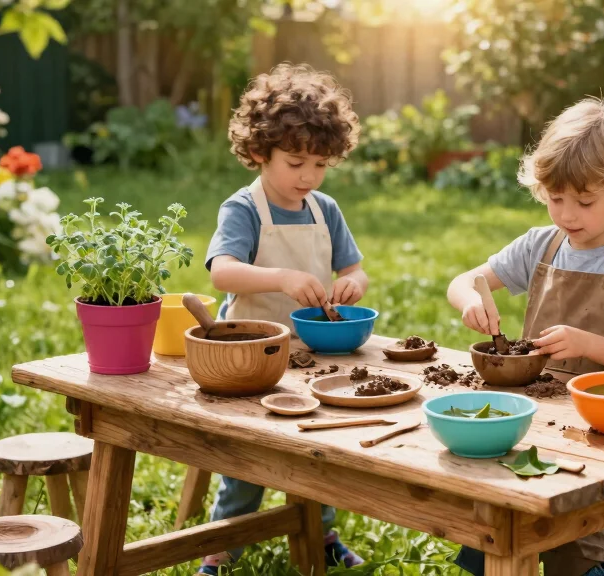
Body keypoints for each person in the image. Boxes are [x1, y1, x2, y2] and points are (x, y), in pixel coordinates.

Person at [447, 97, 604, 576]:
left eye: (585, 201)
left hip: (602, 430)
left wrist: (586, 343)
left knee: (578, 547)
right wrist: (471, 295)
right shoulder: (539, 244)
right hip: (533, 416)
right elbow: (464, 280)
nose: (568, 214)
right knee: (498, 520)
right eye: (556, 199)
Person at [197, 62, 367, 575]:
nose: (308, 177)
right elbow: (222, 274)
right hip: (250, 356)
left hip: (312, 354)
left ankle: (322, 532)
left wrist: (351, 284)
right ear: (258, 152)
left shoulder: (324, 208)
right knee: (248, 461)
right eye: (295, 163)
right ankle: (221, 550)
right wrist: (282, 278)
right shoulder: (243, 209)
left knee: (319, 449)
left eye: (319, 164)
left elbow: (354, 267)